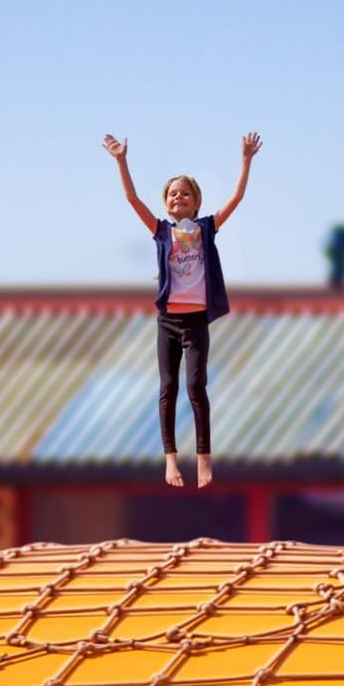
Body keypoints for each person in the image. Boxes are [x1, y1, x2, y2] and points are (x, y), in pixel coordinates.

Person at [102, 131, 262, 488]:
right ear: (167, 202)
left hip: (195, 320)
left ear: (195, 202)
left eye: (185, 193)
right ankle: (170, 461)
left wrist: (246, 160)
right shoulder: (161, 231)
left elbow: (235, 199)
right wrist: (121, 161)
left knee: (196, 385)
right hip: (168, 319)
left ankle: (204, 458)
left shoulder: (206, 229)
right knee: (168, 387)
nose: (178, 197)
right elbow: (131, 199)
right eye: (173, 193)